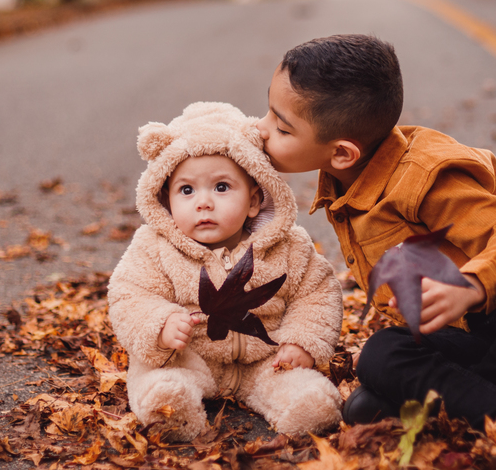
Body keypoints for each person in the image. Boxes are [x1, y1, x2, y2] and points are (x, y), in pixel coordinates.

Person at [254, 34, 496, 470]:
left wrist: (472, 286)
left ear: (343, 153)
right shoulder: (344, 181)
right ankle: (492, 403)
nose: (261, 129)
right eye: (269, 112)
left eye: (281, 127)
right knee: (381, 354)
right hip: (477, 342)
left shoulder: (424, 176)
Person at [108, 102, 343, 441]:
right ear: (166, 198)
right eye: (186, 190)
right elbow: (130, 293)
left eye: (221, 187)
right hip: (187, 356)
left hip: (265, 360)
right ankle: (169, 405)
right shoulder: (154, 248)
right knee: (157, 374)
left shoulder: (288, 247)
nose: (203, 202)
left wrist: (302, 340)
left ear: (254, 200)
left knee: (305, 393)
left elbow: (317, 292)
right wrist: (160, 324)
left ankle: (304, 405)